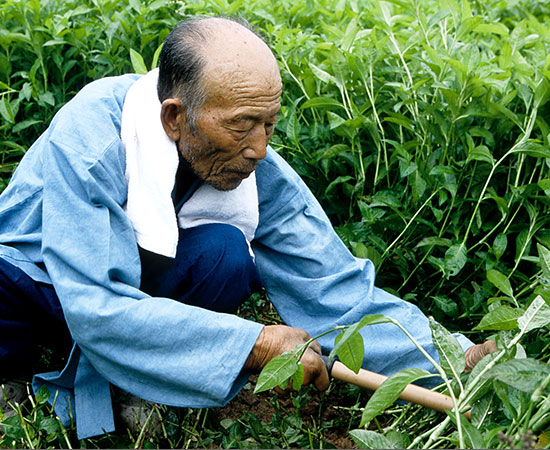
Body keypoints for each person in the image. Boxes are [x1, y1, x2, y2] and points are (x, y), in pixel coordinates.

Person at [0, 16, 495, 438]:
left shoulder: (252, 164)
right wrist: (253, 344)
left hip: (121, 292)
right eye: (241, 124)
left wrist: (455, 359)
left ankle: (133, 379)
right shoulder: (92, 142)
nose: (259, 147)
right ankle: (18, 378)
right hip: (38, 280)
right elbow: (95, 308)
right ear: (175, 118)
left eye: (270, 123)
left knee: (224, 253)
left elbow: (333, 286)